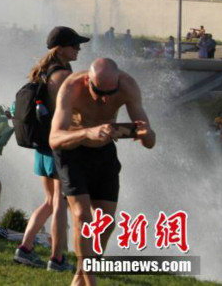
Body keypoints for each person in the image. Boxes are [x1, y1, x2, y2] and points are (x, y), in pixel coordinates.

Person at [49, 58, 156, 286]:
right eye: (99, 92)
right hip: (72, 151)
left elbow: (150, 141)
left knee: (106, 222)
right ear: (88, 80)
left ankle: (81, 274)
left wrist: (146, 134)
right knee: (82, 217)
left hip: (103, 152)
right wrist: (87, 133)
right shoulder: (71, 88)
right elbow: (54, 138)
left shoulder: (128, 86)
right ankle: (91, 282)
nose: (105, 99)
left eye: (111, 92)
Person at [14, 26, 88, 272]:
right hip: (57, 144)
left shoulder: (44, 71)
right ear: (62, 48)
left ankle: (24, 249)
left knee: (49, 201)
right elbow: (71, 111)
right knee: (59, 202)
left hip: (42, 145)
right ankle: (57, 259)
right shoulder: (63, 75)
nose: (78, 49)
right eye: (75, 45)